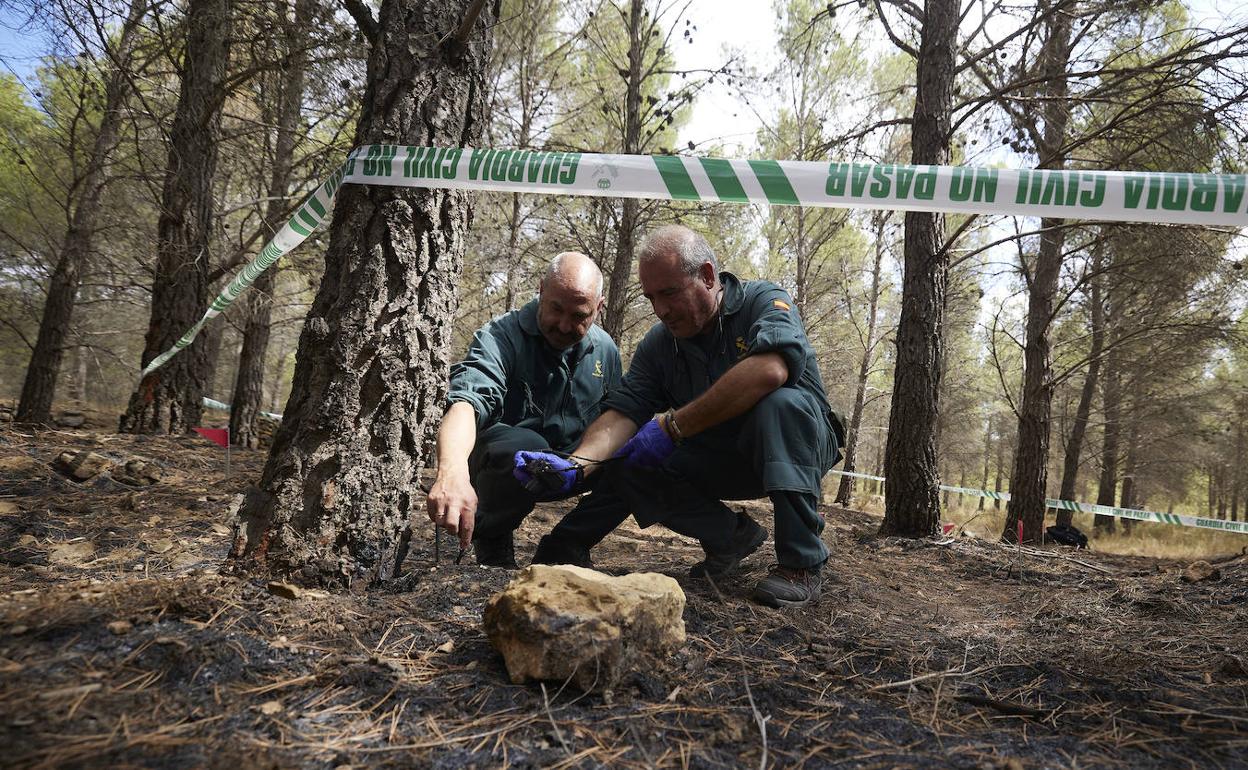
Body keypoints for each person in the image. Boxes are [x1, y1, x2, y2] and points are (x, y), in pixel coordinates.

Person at [518, 225, 844, 608]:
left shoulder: (762, 300)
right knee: (629, 457)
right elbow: (623, 413)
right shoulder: (660, 345)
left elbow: (770, 369)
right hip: (721, 457)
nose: (661, 310)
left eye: (670, 293)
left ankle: (801, 564)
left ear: (707, 276)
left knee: (780, 405)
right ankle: (729, 537)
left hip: (796, 447)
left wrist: (673, 426)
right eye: (651, 297)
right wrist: (576, 465)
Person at [425, 252, 623, 567]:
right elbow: (466, 402)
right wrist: (452, 471)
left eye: (579, 316)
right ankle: (493, 538)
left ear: (599, 308)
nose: (563, 324)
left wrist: (577, 465)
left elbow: (616, 419)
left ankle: (568, 544)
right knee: (524, 446)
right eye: (556, 309)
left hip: (572, 464)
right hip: (508, 465)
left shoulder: (606, 350)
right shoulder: (501, 336)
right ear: (541, 290)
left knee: (637, 452)